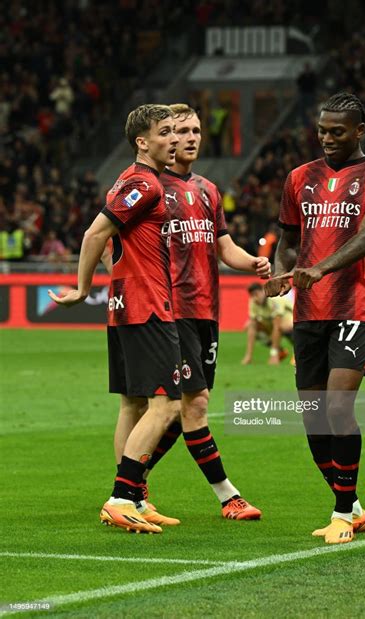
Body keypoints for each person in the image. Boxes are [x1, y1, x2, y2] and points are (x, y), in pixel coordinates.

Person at [107, 103, 271, 521]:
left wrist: (253, 261)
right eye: (180, 130)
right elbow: (113, 242)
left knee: (180, 408)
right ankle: (224, 496)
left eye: (197, 129)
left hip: (205, 310)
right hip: (166, 310)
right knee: (189, 403)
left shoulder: (207, 189)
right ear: (165, 137)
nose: (191, 137)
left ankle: (130, 487)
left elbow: (223, 247)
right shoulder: (148, 186)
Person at [265, 92, 365, 544]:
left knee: (338, 407)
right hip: (308, 310)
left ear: (359, 131)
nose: (326, 138)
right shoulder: (299, 178)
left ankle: (341, 512)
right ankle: (353, 504)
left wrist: (320, 269)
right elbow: (286, 239)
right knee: (313, 417)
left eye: (336, 131)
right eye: (322, 130)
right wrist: (285, 271)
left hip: (353, 306)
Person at [49, 104, 181, 534]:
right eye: (165, 133)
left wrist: (115, 279)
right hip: (147, 307)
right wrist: (83, 288)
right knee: (167, 405)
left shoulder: (125, 181)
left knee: (134, 403)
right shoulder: (144, 184)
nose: (173, 140)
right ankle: (123, 496)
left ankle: (137, 499)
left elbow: (110, 244)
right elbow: (95, 234)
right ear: (142, 142)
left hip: (125, 305)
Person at [241, 282, 294, 365]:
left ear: (263, 291)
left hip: (289, 322)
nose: (255, 297)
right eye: (252, 295)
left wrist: (273, 354)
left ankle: (298, 352)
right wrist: (248, 356)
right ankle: (280, 352)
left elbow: (277, 325)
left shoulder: (274, 299)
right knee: (250, 326)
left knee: (282, 326)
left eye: (256, 294)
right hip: (272, 325)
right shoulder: (253, 302)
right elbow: (253, 322)